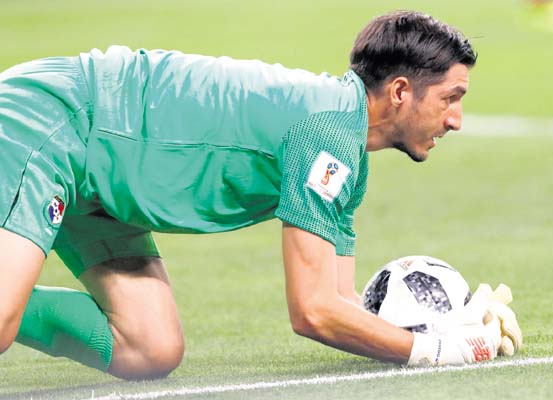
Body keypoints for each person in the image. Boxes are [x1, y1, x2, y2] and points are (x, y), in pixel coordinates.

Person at [0, 10, 515, 380]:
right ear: (401, 92)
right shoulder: (326, 135)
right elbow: (312, 312)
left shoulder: (345, 156)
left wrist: (448, 318)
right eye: (451, 98)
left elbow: (340, 302)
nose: (456, 120)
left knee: (149, 349)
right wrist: (437, 351)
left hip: (104, 184)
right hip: (58, 119)